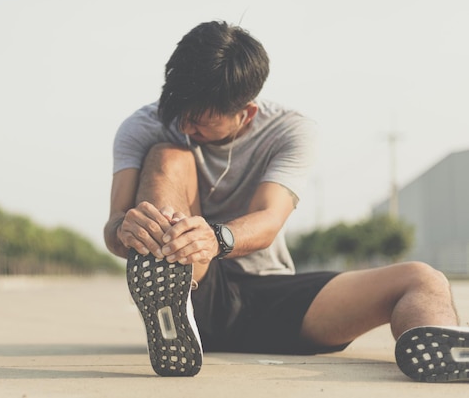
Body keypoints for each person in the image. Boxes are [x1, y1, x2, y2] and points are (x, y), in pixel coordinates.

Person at [103, 20, 466, 381]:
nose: (184, 127)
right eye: (177, 112)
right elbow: (114, 223)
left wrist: (212, 238)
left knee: (422, 278)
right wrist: (128, 230)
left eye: (199, 121)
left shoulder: (290, 130)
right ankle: (172, 287)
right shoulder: (143, 126)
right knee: (168, 154)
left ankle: (448, 355)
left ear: (245, 113)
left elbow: (268, 218)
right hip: (195, 290)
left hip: (270, 295)